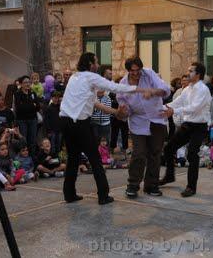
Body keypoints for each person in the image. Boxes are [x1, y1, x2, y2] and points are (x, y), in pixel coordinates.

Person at [59, 52, 149, 204]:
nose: (98, 65)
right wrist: (140, 89)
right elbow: (114, 87)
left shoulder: (75, 77)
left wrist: (116, 113)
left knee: (73, 158)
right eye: (96, 62)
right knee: (95, 158)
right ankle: (103, 195)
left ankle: (69, 194)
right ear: (90, 64)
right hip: (79, 123)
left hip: (65, 121)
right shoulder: (90, 76)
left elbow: (95, 103)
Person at [117, 56, 171, 198]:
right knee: (139, 153)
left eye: (138, 70)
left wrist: (152, 91)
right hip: (138, 122)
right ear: (128, 70)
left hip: (157, 118)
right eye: (132, 71)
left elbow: (165, 89)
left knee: (155, 153)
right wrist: (123, 111)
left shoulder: (148, 74)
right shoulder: (123, 85)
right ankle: (133, 185)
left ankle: (151, 186)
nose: (136, 73)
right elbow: (124, 107)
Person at [159, 62, 211, 197]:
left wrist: (173, 111)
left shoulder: (203, 89)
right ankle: (169, 176)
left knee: (192, 154)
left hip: (199, 127)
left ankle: (191, 187)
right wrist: (162, 107)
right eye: (188, 70)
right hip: (188, 124)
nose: (188, 73)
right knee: (169, 148)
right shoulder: (187, 89)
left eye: (191, 71)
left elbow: (194, 108)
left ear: (198, 74)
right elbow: (177, 102)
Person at [14, 75, 40, 154]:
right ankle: (25, 157)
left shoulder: (33, 93)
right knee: (24, 140)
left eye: (29, 82)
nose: (27, 84)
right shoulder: (17, 94)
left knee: (33, 140)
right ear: (21, 84)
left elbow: (38, 107)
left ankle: (32, 157)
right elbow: (19, 109)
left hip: (33, 119)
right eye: (25, 82)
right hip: (22, 121)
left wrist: (28, 106)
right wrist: (32, 106)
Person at [109, 76, 129, 155]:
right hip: (115, 116)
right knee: (114, 133)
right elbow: (111, 104)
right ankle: (112, 150)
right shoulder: (113, 92)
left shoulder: (126, 93)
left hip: (124, 117)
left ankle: (124, 150)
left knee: (125, 134)